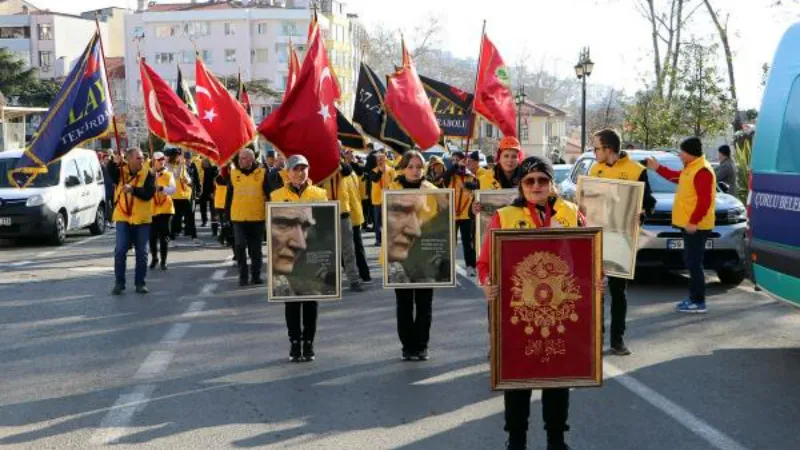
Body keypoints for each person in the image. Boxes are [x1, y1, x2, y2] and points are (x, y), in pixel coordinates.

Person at [478, 155, 593, 450]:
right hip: (518, 311)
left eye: (543, 180)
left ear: (552, 183)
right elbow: (485, 263)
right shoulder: (504, 216)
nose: (536, 185)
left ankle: (557, 439)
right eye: (529, 181)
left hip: (561, 309)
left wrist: (598, 280)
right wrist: (487, 285)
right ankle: (516, 439)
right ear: (521, 185)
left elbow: (587, 258)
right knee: (517, 377)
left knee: (558, 378)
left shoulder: (572, 213)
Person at [589, 129, 656, 356]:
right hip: (597, 238)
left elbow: (649, 201)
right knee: (596, 291)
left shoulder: (636, 171)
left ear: (608, 149)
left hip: (621, 239)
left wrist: (643, 214)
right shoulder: (594, 169)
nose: (593, 151)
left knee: (618, 293)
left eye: (596, 147)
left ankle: (617, 340)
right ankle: (596, 339)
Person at [646, 137, 716, 313]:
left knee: (694, 263)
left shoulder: (702, 171)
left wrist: (693, 221)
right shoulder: (691, 168)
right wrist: (658, 168)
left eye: (682, 151)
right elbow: (675, 177)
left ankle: (698, 302)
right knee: (691, 261)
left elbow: (704, 201)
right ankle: (694, 298)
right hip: (689, 225)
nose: (679, 154)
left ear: (690, 152)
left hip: (697, 226)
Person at [271, 155, 329, 362]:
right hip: (288, 256)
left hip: (311, 255)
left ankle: (309, 341)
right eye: (296, 169)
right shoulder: (276, 195)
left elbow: (325, 226)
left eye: (303, 168)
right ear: (288, 172)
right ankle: (295, 341)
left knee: (311, 301)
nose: (300, 172)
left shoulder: (320, 194)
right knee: (292, 301)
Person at [385, 150, 439, 361]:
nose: (415, 171)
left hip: (426, 255)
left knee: (425, 303)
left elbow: (440, 222)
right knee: (404, 303)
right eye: (411, 166)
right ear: (403, 168)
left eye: (419, 167)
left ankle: (422, 344)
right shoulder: (392, 190)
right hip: (401, 254)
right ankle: (408, 346)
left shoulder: (433, 191)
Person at [108, 148, 156, 295]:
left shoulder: (149, 173)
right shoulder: (121, 172)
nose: (141, 160)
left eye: (142, 158)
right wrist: (113, 161)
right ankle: (119, 283)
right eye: (138, 158)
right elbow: (110, 172)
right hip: (123, 217)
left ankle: (140, 283)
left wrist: (133, 190)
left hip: (142, 219)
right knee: (120, 250)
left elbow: (148, 194)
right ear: (128, 160)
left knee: (142, 252)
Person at [319, 154, 364, 292]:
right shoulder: (319, 168)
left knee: (348, 250)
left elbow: (348, 170)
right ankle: (328, 283)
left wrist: (337, 157)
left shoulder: (341, 167)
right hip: (325, 214)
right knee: (327, 251)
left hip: (343, 213)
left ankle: (354, 280)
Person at [225, 148, 269, 286]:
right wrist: (226, 217)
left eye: (243, 158)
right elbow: (229, 196)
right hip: (238, 218)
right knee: (239, 246)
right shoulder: (234, 174)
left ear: (251, 159)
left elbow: (269, 194)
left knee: (255, 249)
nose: (240, 161)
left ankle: (256, 275)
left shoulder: (262, 173)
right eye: (239, 158)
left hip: (257, 218)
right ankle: (243, 276)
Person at [443, 151, 479, 277]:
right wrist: (456, 165)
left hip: (466, 215)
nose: (455, 162)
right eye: (453, 160)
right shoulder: (450, 175)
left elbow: (477, 186)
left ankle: (470, 266)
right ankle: (447, 266)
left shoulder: (470, 176)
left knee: (467, 242)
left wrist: (468, 185)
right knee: (450, 242)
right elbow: (445, 176)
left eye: (457, 159)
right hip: (451, 214)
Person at [149, 152, 176, 271]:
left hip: (166, 209)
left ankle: (164, 261)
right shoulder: (149, 174)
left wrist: (161, 188)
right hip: (152, 209)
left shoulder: (168, 174)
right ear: (154, 161)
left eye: (163, 159)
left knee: (164, 236)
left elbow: (173, 189)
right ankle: (154, 258)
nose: (161, 161)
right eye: (159, 160)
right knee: (152, 236)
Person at [167, 152, 197, 242]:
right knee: (174, 218)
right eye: (178, 157)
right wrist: (181, 164)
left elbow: (188, 179)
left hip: (185, 196)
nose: (181, 158)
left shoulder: (183, 166)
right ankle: (171, 238)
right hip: (175, 196)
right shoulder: (169, 166)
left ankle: (194, 237)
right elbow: (176, 175)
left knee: (190, 217)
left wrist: (188, 180)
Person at [369, 149, 396, 246]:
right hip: (377, 200)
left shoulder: (391, 170)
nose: (379, 161)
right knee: (378, 222)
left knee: (389, 221)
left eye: (381, 159)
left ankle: (389, 239)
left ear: (385, 160)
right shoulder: (373, 171)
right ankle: (378, 239)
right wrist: (380, 172)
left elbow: (395, 183)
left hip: (388, 199)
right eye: (378, 159)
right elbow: (375, 179)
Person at [198, 157, 219, 230]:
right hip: (203, 191)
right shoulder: (201, 170)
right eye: (203, 162)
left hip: (211, 191)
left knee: (213, 209)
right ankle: (204, 221)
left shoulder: (213, 169)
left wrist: (213, 192)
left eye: (206, 162)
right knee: (202, 208)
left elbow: (215, 182)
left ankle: (214, 225)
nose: (204, 163)